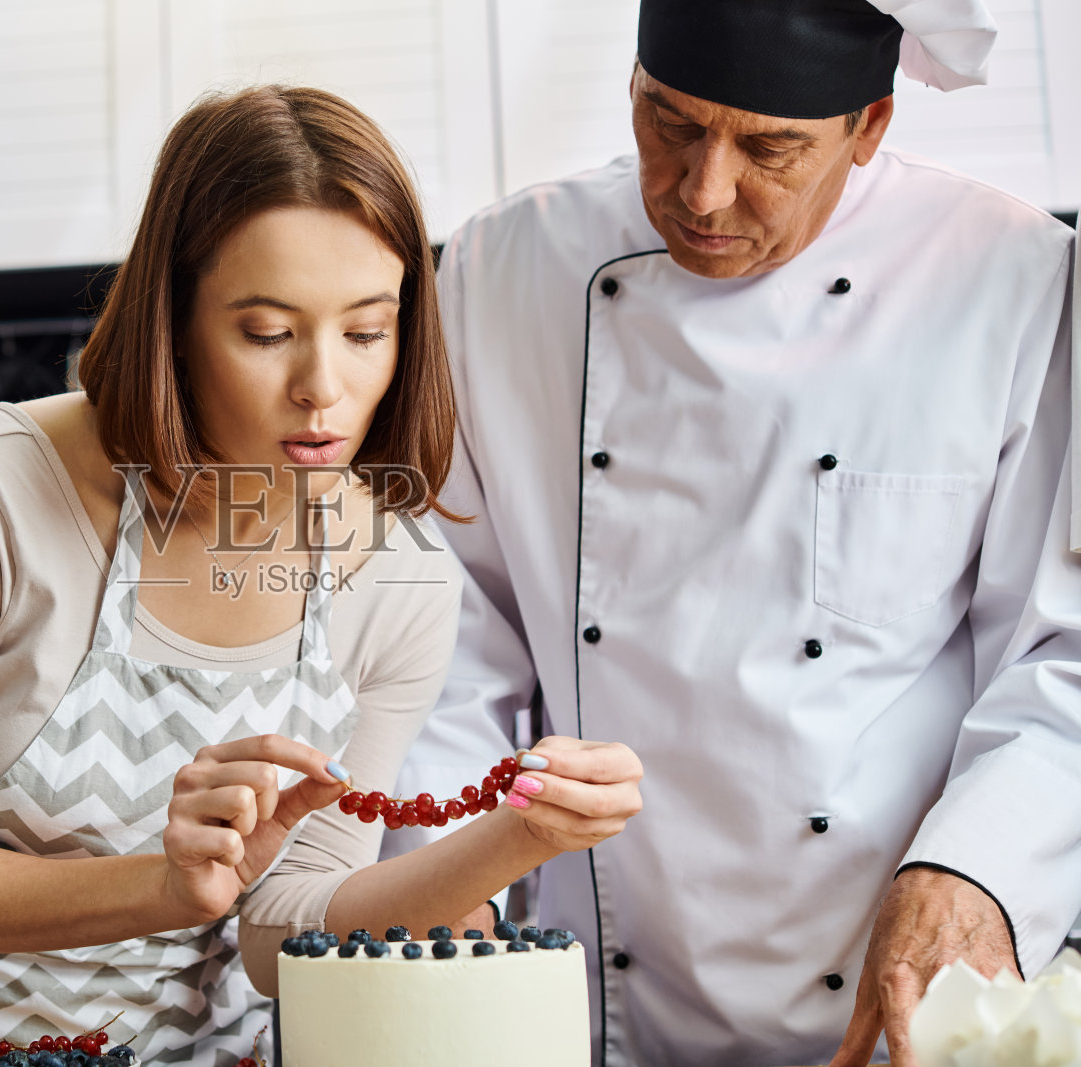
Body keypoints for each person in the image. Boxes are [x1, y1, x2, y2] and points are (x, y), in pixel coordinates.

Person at [0, 85, 644, 1065]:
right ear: (175, 318)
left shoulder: (398, 578)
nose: (324, 387)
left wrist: (521, 837)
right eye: (268, 332)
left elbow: (282, 938)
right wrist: (162, 886)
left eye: (367, 331)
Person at [381, 0, 1081, 1064]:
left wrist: (978, 869)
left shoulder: (1016, 281)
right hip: (591, 992)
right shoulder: (503, 269)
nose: (703, 191)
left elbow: (1063, 649)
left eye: (769, 148)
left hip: (894, 976)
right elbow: (447, 636)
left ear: (870, 125)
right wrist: (438, 886)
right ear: (632, 84)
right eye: (670, 123)